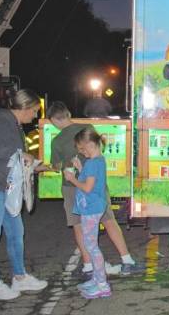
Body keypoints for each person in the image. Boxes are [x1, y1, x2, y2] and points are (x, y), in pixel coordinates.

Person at [0, 89, 49, 300]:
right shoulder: (0, 120)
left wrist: (45, 166)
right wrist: (23, 155)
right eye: (34, 111)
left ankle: (20, 278)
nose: (35, 116)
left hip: (5, 187)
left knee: (15, 232)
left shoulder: (14, 125)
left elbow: (19, 162)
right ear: (24, 108)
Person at [47, 101, 138, 277]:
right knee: (108, 220)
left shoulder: (57, 141)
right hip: (96, 185)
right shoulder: (87, 128)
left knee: (79, 225)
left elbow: (56, 166)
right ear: (68, 114)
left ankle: (89, 266)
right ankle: (127, 259)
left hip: (72, 187)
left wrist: (42, 167)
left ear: (53, 121)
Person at [63, 126, 111, 299]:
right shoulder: (98, 161)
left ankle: (102, 285)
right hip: (93, 206)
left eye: (82, 149)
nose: (82, 153)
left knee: (91, 246)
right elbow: (92, 182)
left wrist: (72, 178)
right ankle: (97, 279)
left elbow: (87, 188)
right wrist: (80, 169)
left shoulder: (92, 163)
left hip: (91, 208)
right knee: (91, 244)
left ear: (90, 144)